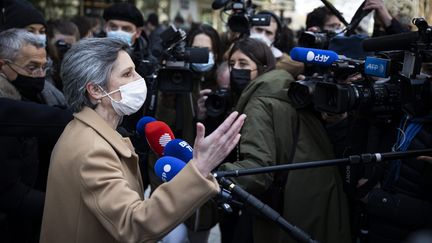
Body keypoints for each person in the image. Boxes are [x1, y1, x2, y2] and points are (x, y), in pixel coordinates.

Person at [39, 37, 246, 242]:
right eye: (127, 74)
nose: (139, 79)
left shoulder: (91, 132)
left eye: (135, 70)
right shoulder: (92, 150)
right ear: (95, 90)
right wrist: (199, 169)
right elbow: (132, 223)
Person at [217, 37, 351, 243]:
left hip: (291, 206)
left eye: (244, 64)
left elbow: (258, 170)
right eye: (232, 64)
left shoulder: (260, 102)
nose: (236, 70)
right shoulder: (289, 91)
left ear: (263, 67)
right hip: (314, 202)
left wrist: (212, 178)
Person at [0, 28, 51, 243]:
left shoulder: (38, 95)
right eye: (32, 68)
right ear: (3, 66)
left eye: (43, 68)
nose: (39, 75)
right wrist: (58, 205)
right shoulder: (7, 111)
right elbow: (8, 192)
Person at [45, 19, 80, 92]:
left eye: (70, 46)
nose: (65, 49)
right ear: (48, 43)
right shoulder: (42, 67)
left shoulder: (79, 66)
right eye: (61, 44)